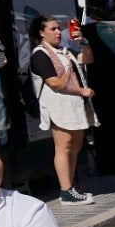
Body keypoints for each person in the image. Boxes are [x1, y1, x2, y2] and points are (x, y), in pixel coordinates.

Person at [28, 14, 97, 206]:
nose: (58, 32)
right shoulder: (40, 54)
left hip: (74, 106)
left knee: (75, 147)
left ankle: (70, 186)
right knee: (64, 147)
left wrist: (83, 42)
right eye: (53, 29)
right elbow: (54, 82)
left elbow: (87, 59)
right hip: (58, 107)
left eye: (59, 28)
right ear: (41, 33)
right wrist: (81, 90)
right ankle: (65, 190)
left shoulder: (64, 52)